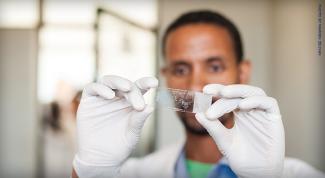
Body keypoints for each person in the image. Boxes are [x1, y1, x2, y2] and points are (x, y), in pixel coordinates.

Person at [71, 10, 325, 178]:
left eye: (214, 67)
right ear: (165, 74)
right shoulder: (135, 173)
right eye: (180, 69)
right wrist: (92, 170)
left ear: (243, 72)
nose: (194, 85)